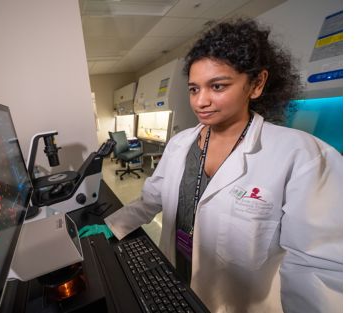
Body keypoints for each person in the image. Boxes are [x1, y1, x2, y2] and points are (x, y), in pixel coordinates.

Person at [79, 18, 342, 312]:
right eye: (194, 89)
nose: (201, 101)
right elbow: (151, 199)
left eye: (217, 86)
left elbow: (318, 267)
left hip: (241, 304)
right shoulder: (180, 144)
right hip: (175, 281)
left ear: (256, 84)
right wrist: (114, 225)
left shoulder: (302, 155)